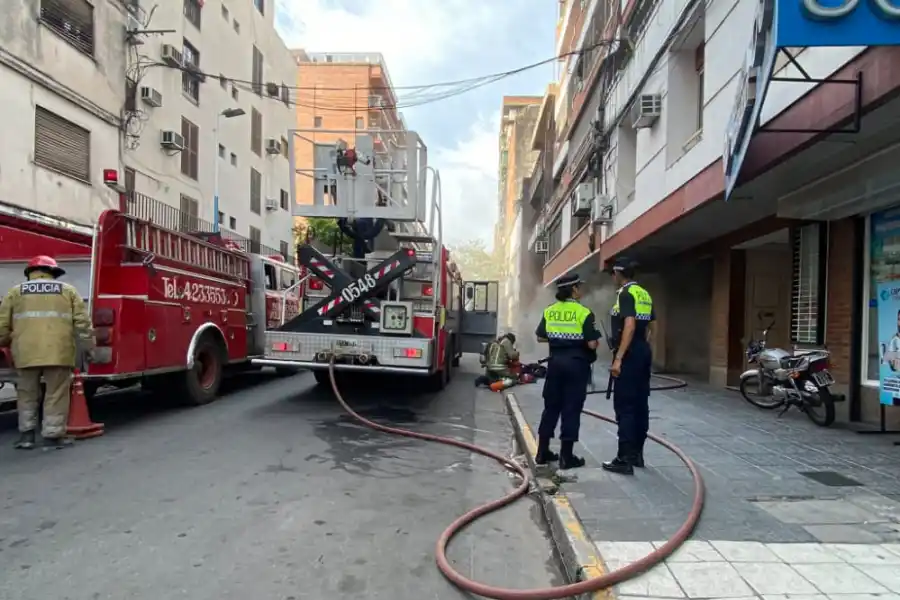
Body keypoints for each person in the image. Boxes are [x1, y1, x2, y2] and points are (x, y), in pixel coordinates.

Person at [0, 255, 94, 450]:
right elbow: (83, 324)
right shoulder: (68, 291)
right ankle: (52, 437)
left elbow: (2, 325)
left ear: (30, 273)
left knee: (26, 394)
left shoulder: (15, 292)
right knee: (56, 394)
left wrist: (5, 343)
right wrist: (88, 347)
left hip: (25, 353)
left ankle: (26, 436)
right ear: (53, 273)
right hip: (59, 352)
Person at [534, 273, 601, 469]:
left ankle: (542, 453)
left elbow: (540, 336)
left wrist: (558, 339)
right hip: (576, 365)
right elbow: (592, 343)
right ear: (573, 289)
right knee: (571, 408)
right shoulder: (584, 312)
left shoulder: (550, 311)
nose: (581, 290)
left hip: (555, 363)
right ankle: (566, 457)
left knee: (551, 407)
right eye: (579, 286)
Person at [603, 256, 655, 475]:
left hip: (630, 354)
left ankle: (623, 459)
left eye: (613, 274)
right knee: (641, 404)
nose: (612, 278)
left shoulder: (625, 294)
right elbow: (651, 327)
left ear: (618, 274)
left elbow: (630, 325)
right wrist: (642, 347)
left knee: (625, 405)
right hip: (643, 351)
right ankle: (636, 454)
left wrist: (619, 358)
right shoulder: (644, 293)